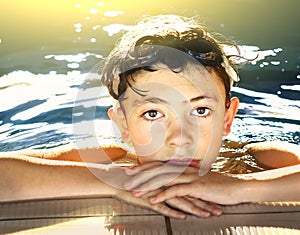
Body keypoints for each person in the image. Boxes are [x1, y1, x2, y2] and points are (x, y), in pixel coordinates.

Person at [0, 14, 299, 220]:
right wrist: (113, 181)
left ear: (227, 118)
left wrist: (239, 186)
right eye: (153, 113)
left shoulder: (256, 160)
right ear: (123, 125)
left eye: (200, 110)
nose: (180, 137)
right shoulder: (114, 162)